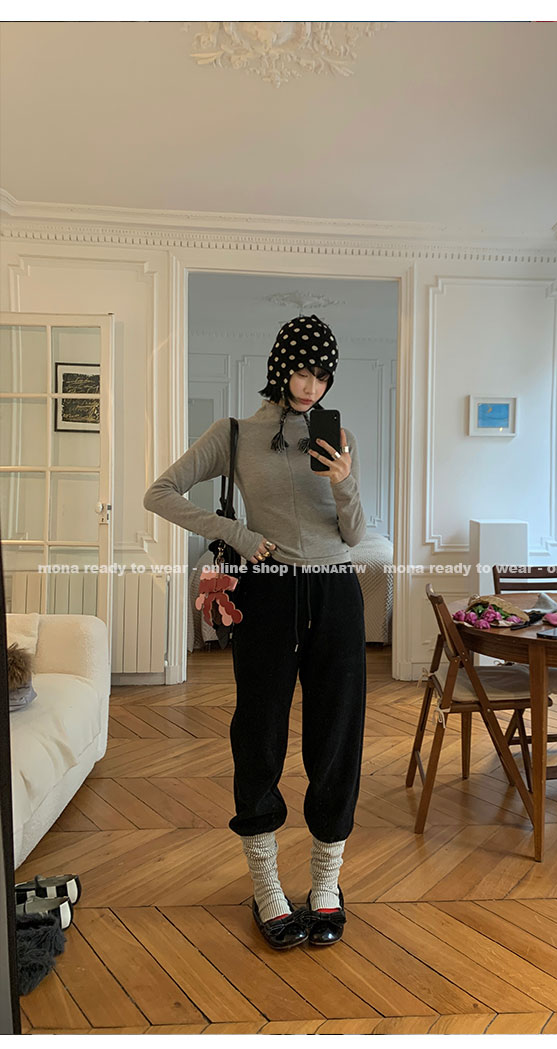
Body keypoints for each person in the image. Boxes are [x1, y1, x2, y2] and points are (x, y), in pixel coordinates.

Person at [143, 314, 367, 950]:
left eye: (322, 375)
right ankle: (267, 886)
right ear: (280, 367)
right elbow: (159, 493)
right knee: (260, 733)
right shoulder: (234, 434)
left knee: (337, 735)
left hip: (336, 591)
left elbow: (354, 532)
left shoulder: (338, 436)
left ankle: (326, 883)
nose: (311, 386)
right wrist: (236, 533)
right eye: (302, 371)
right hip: (268, 592)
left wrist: (344, 483)